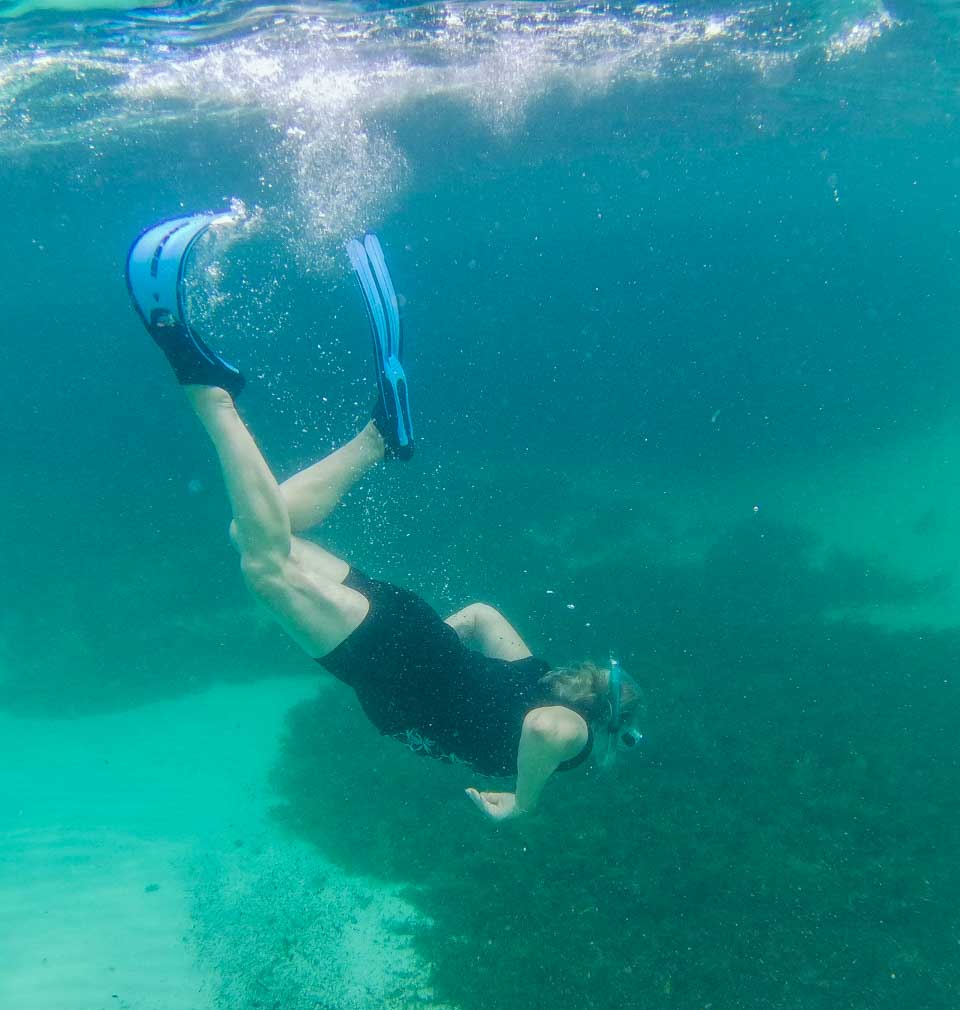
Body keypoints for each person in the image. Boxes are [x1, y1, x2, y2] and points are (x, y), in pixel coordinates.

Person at [126, 212, 642, 820]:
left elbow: (480, 615)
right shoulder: (571, 736)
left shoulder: (531, 673)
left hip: (404, 632)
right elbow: (548, 732)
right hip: (389, 655)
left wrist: (430, 659)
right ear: (605, 725)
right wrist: (524, 804)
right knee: (264, 567)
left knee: (256, 531)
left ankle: (378, 436)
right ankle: (208, 391)